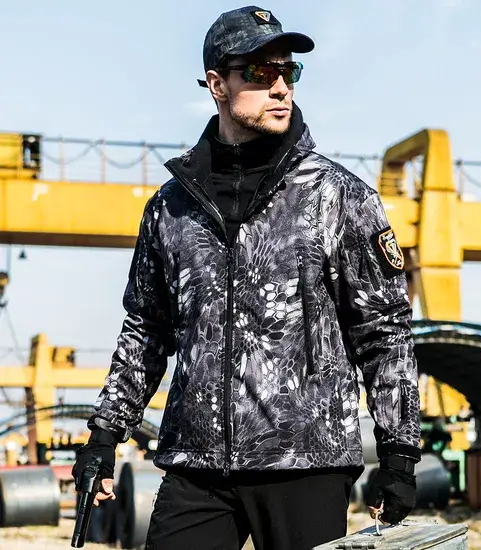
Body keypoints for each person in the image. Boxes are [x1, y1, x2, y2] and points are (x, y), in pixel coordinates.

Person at [72, 5, 421, 549]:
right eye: (260, 72)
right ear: (217, 84)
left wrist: (399, 454)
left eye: (289, 71)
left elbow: (383, 331)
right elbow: (146, 328)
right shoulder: (171, 207)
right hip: (197, 463)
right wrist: (104, 434)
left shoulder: (339, 197)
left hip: (305, 460)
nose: (281, 87)